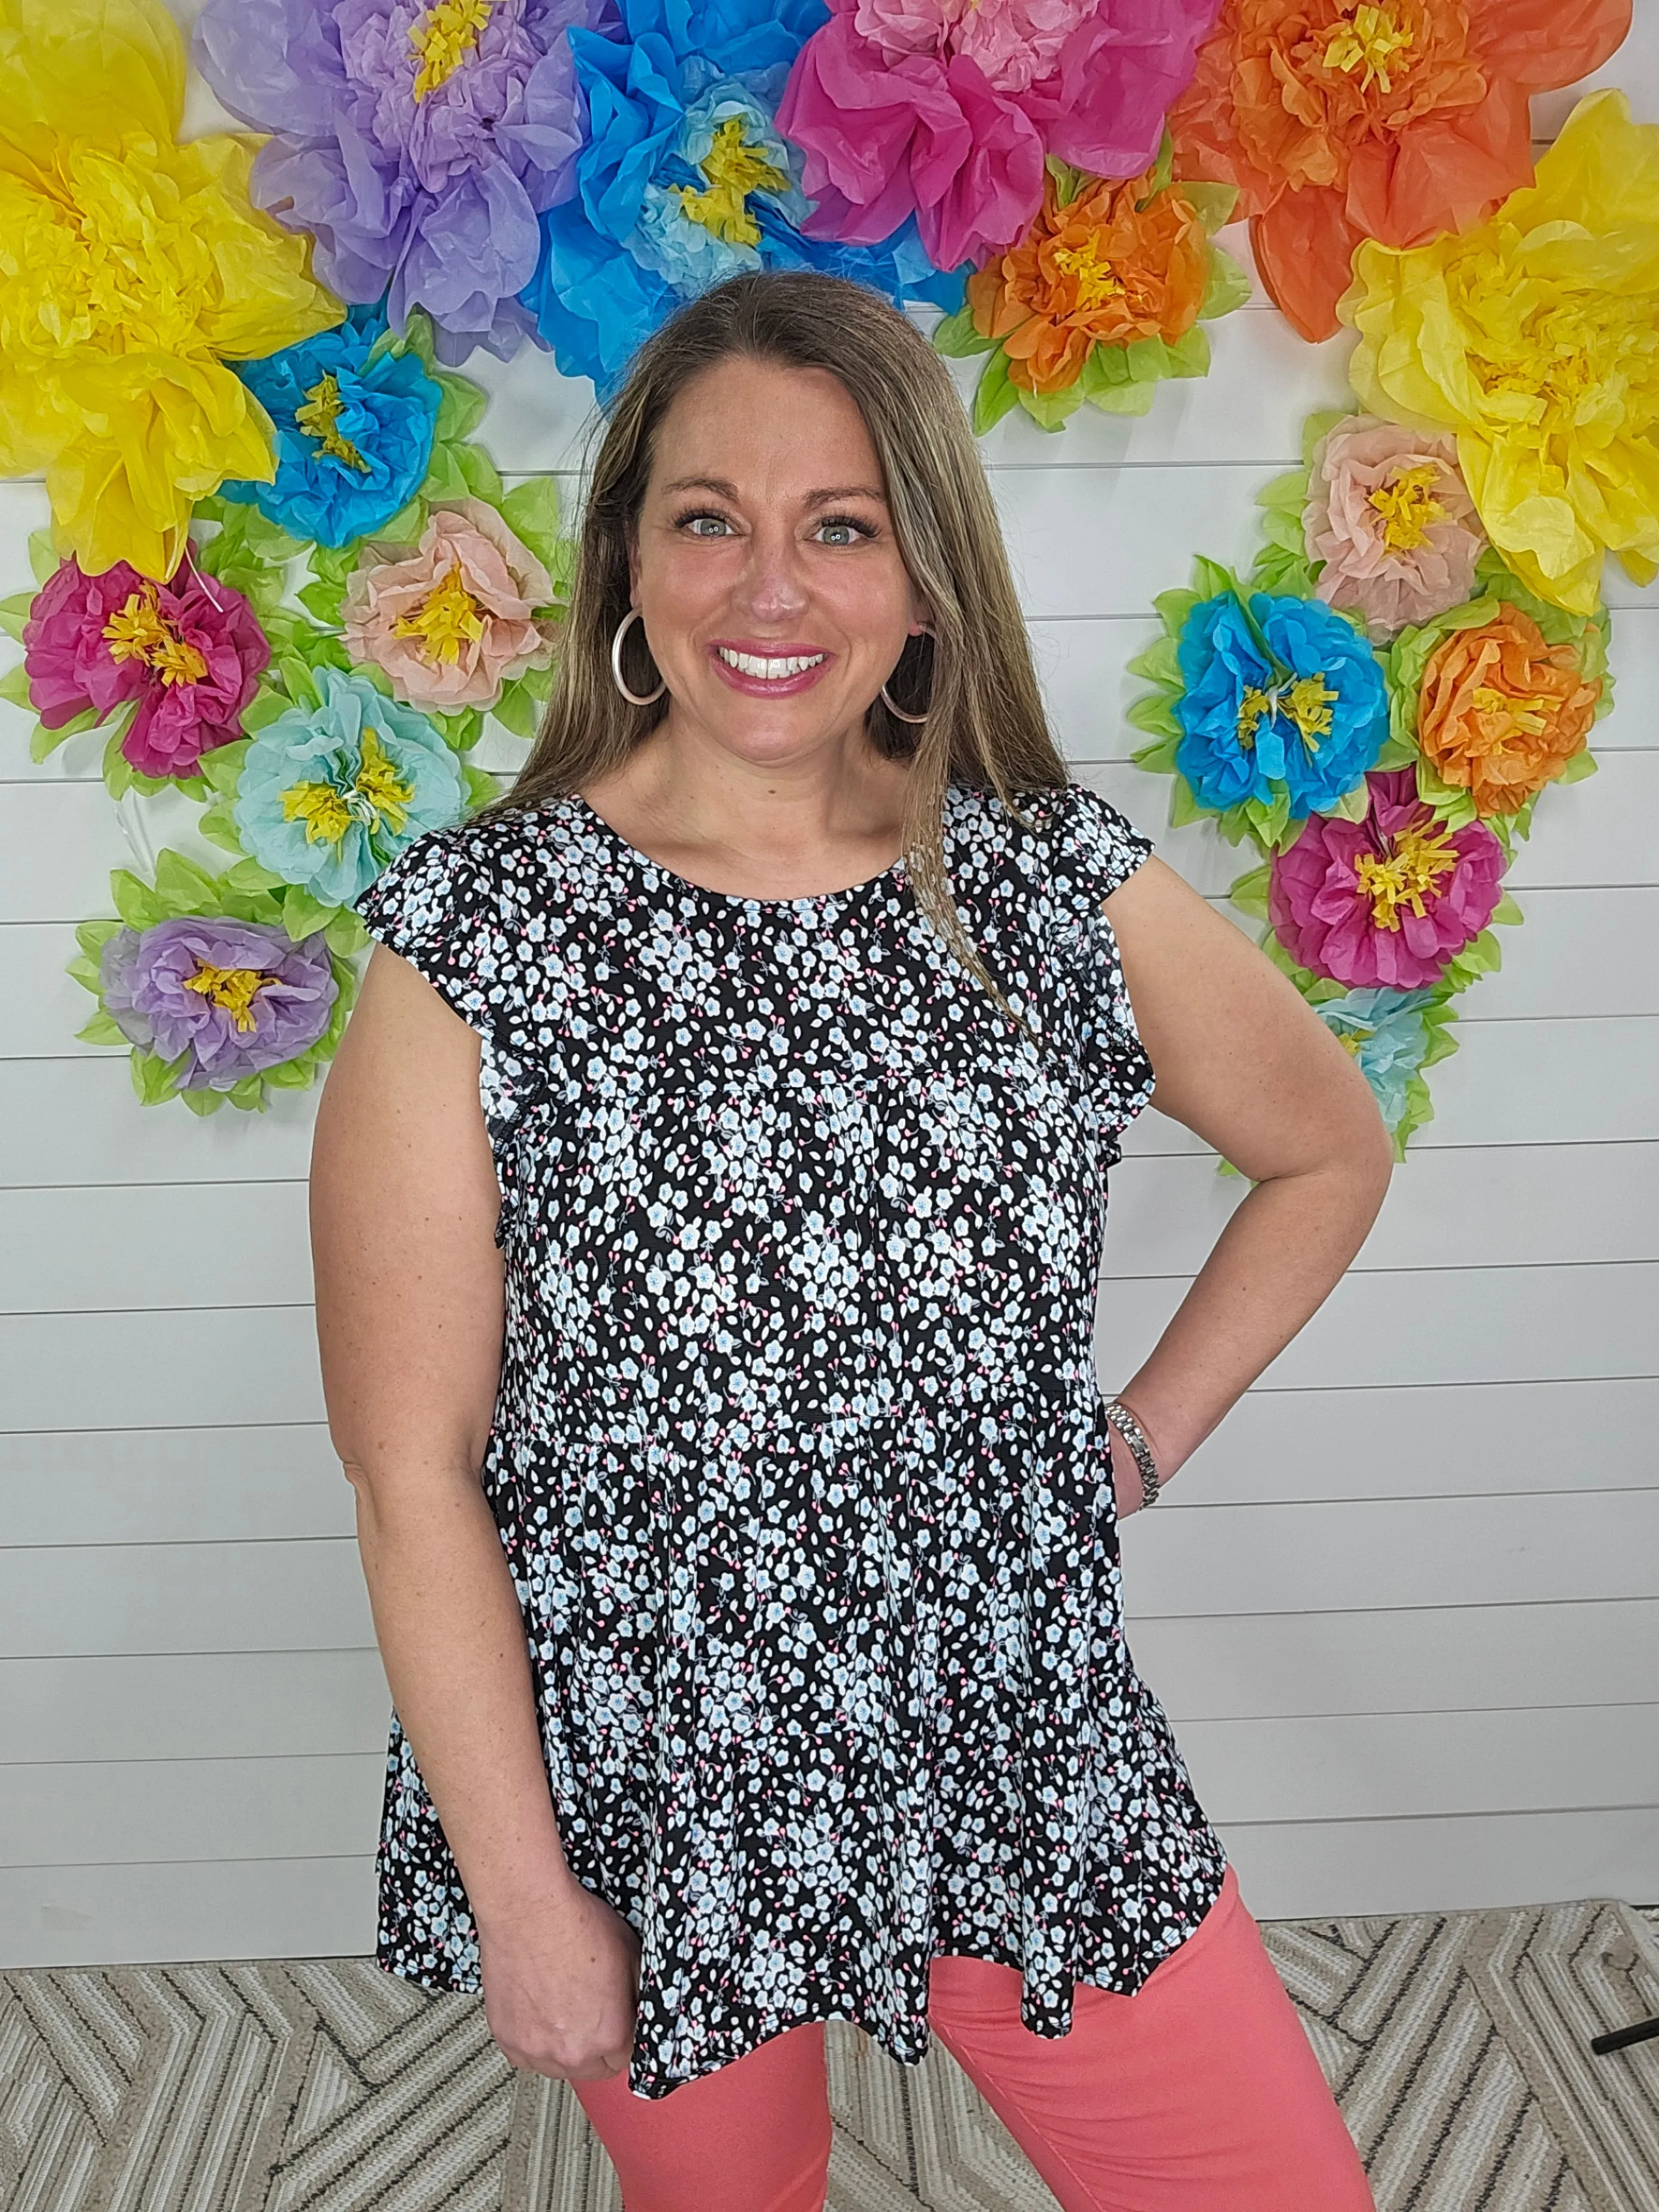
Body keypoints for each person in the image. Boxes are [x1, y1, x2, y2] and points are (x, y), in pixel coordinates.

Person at [310, 269, 1388, 2212]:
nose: (770, 592)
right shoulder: (480, 936)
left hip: (1013, 1723)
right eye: (709, 518)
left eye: (842, 526)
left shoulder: (1053, 880)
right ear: (626, 550)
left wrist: (1138, 1435)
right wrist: (525, 1897)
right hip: (655, 1763)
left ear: (923, 572)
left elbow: (1324, 1150)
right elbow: (411, 1473)